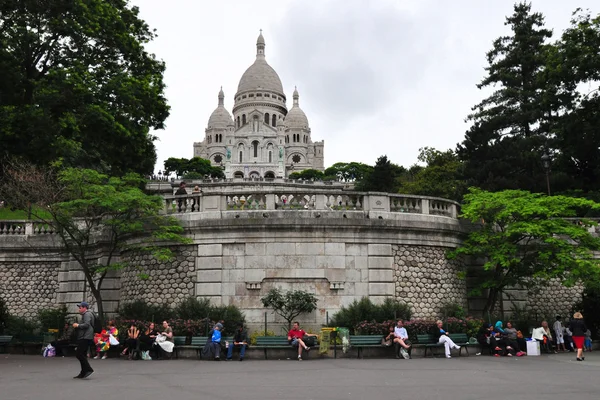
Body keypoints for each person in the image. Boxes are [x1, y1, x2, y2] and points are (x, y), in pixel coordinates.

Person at [72, 302, 95, 379]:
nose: (79, 309)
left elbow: (87, 324)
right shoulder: (86, 314)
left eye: (80, 307)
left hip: (86, 337)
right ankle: (83, 372)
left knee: (79, 354)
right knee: (83, 354)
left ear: (85, 308)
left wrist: (77, 325)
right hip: (86, 336)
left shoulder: (87, 314)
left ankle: (88, 369)